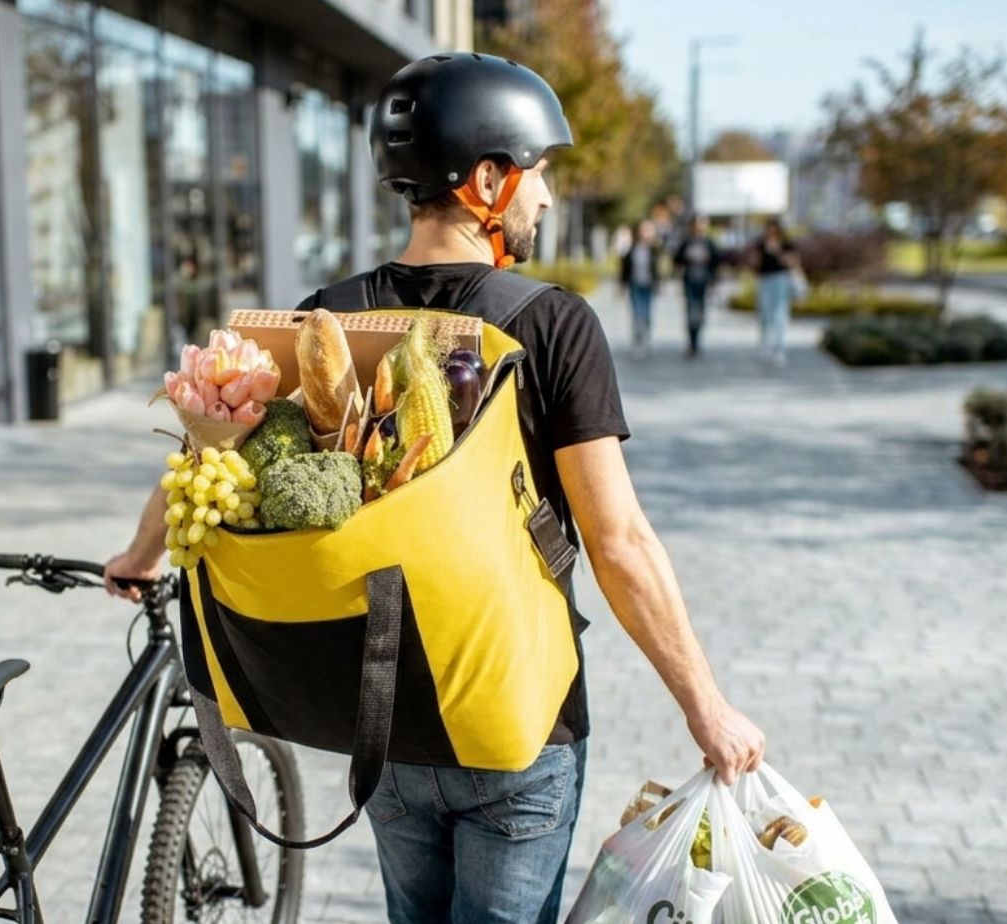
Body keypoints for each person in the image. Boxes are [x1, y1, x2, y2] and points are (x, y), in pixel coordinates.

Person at [103, 53, 765, 924]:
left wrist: (141, 555)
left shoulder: (325, 321)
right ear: (487, 178)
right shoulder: (553, 324)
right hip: (513, 722)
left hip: (383, 712)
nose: (547, 199)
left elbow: (207, 453)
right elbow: (619, 542)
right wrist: (706, 708)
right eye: (539, 174)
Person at [751, 217, 798, 366]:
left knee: (780, 314)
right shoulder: (760, 244)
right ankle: (765, 344)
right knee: (764, 313)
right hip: (765, 280)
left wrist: (777, 252)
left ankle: (779, 347)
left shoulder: (786, 244)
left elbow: (793, 262)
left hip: (781, 279)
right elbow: (754, 264)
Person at [672, 215, 719, 357]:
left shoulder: (709, 243)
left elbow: (716, 261)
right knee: (691, 311)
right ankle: (692, 342)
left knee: (700, 312)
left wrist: (713, 278)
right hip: (689, 281)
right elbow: (676, 259)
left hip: (703, 281)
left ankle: (697, 339)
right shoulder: (686, 243)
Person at [619, 219, 660, 356]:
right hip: (635, 284)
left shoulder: (654, 250)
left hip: (648, 284)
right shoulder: (632, 249)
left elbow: (657, 268)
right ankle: (637, 339)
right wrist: (621, 284)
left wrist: (658, 283)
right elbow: (624, 268)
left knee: (647, 313)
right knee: (637, 313)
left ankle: (645, 337)